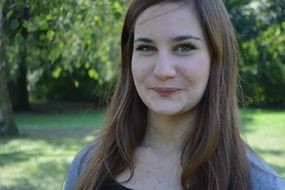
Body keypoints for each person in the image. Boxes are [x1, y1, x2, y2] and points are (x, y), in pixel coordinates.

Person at [64, 0, 285, 189]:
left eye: (184, 47)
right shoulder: (89, 165)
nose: (163, 71)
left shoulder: (261, 184)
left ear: (217, 58)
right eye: (146, 48)